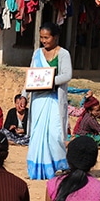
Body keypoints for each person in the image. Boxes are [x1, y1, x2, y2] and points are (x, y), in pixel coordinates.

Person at [24, 23, 72, 180]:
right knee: (38, 134)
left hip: (55, 100)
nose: (43, 41)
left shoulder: (63, 54)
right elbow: (31, 76)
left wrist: (48, 81)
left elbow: (67, 75)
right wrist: (23, 95)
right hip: (38, 100)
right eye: (41, 38)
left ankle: (60, 167)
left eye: (47, 37)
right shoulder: (37, 53)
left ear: (56, 37)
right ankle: (38, 170)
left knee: (55, 133)